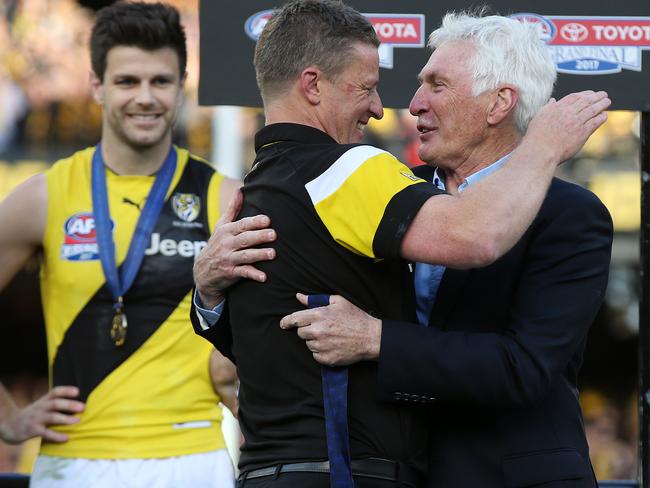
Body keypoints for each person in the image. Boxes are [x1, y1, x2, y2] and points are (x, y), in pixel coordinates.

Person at [190, 1, 609, 487]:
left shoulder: (570, 214)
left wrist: (376, 340)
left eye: (437, 86)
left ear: (499, 103)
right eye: (418, 84)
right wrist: (209, 294)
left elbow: (525, 368)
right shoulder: (382, 190)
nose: (412, 105)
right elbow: (286, 332)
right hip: (394, 472)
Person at [0, 2, 239, 487]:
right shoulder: (45, 196)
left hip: (192, 455)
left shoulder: (226, 198)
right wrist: (7, 418)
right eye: (128, 81)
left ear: (182, 83)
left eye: (161, 81)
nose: (145, 98)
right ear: (96, 85)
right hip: (75, 459)